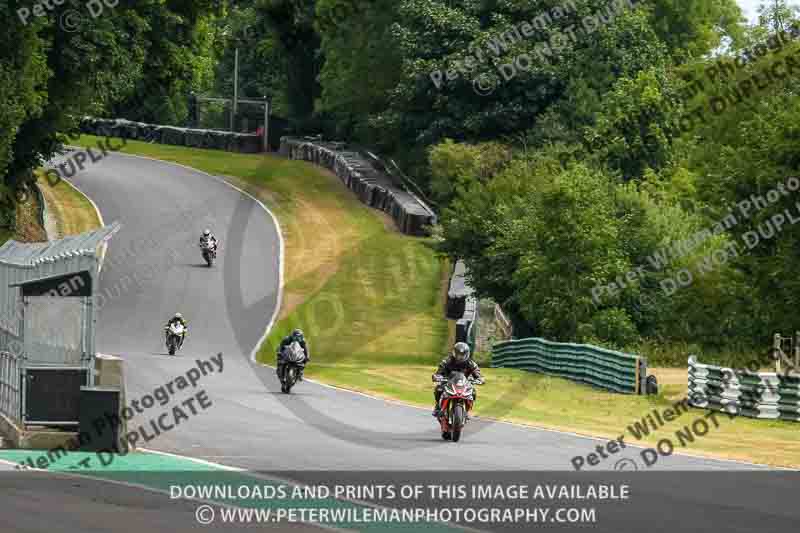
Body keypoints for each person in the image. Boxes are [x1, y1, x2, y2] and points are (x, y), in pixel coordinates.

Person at [432, 342, 483, 417]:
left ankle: (467, 410)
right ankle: (437, 407)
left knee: (473, 392)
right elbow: (439, 371)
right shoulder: (447, 361)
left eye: (462, 355)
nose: (460, 357)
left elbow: (477, 373)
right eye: (458, 354)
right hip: (448, 382)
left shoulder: (471, 363)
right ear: (454, 353)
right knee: (438, 389)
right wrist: (438, 376)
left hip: (464, 384)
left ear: (467, 354)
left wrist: (479, 379)